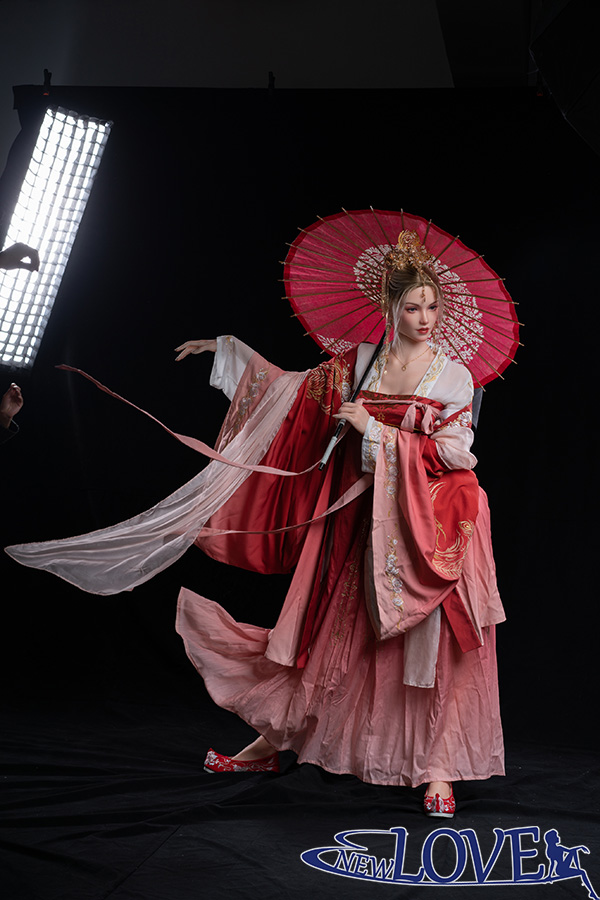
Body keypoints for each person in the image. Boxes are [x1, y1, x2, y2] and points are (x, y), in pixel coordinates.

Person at [6, 232, 505, 817]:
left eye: (432, 306)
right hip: (357, 521)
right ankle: (273, 742)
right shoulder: (361, 363)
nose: (425, 318)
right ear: (389, 307)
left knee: (432, 644)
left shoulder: (453, 377)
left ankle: (439, 767)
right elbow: (291, 396)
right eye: (412, 306)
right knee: (332, 636)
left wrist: (376, 431)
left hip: (429, 527)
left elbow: (457, 453)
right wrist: (229, 351)